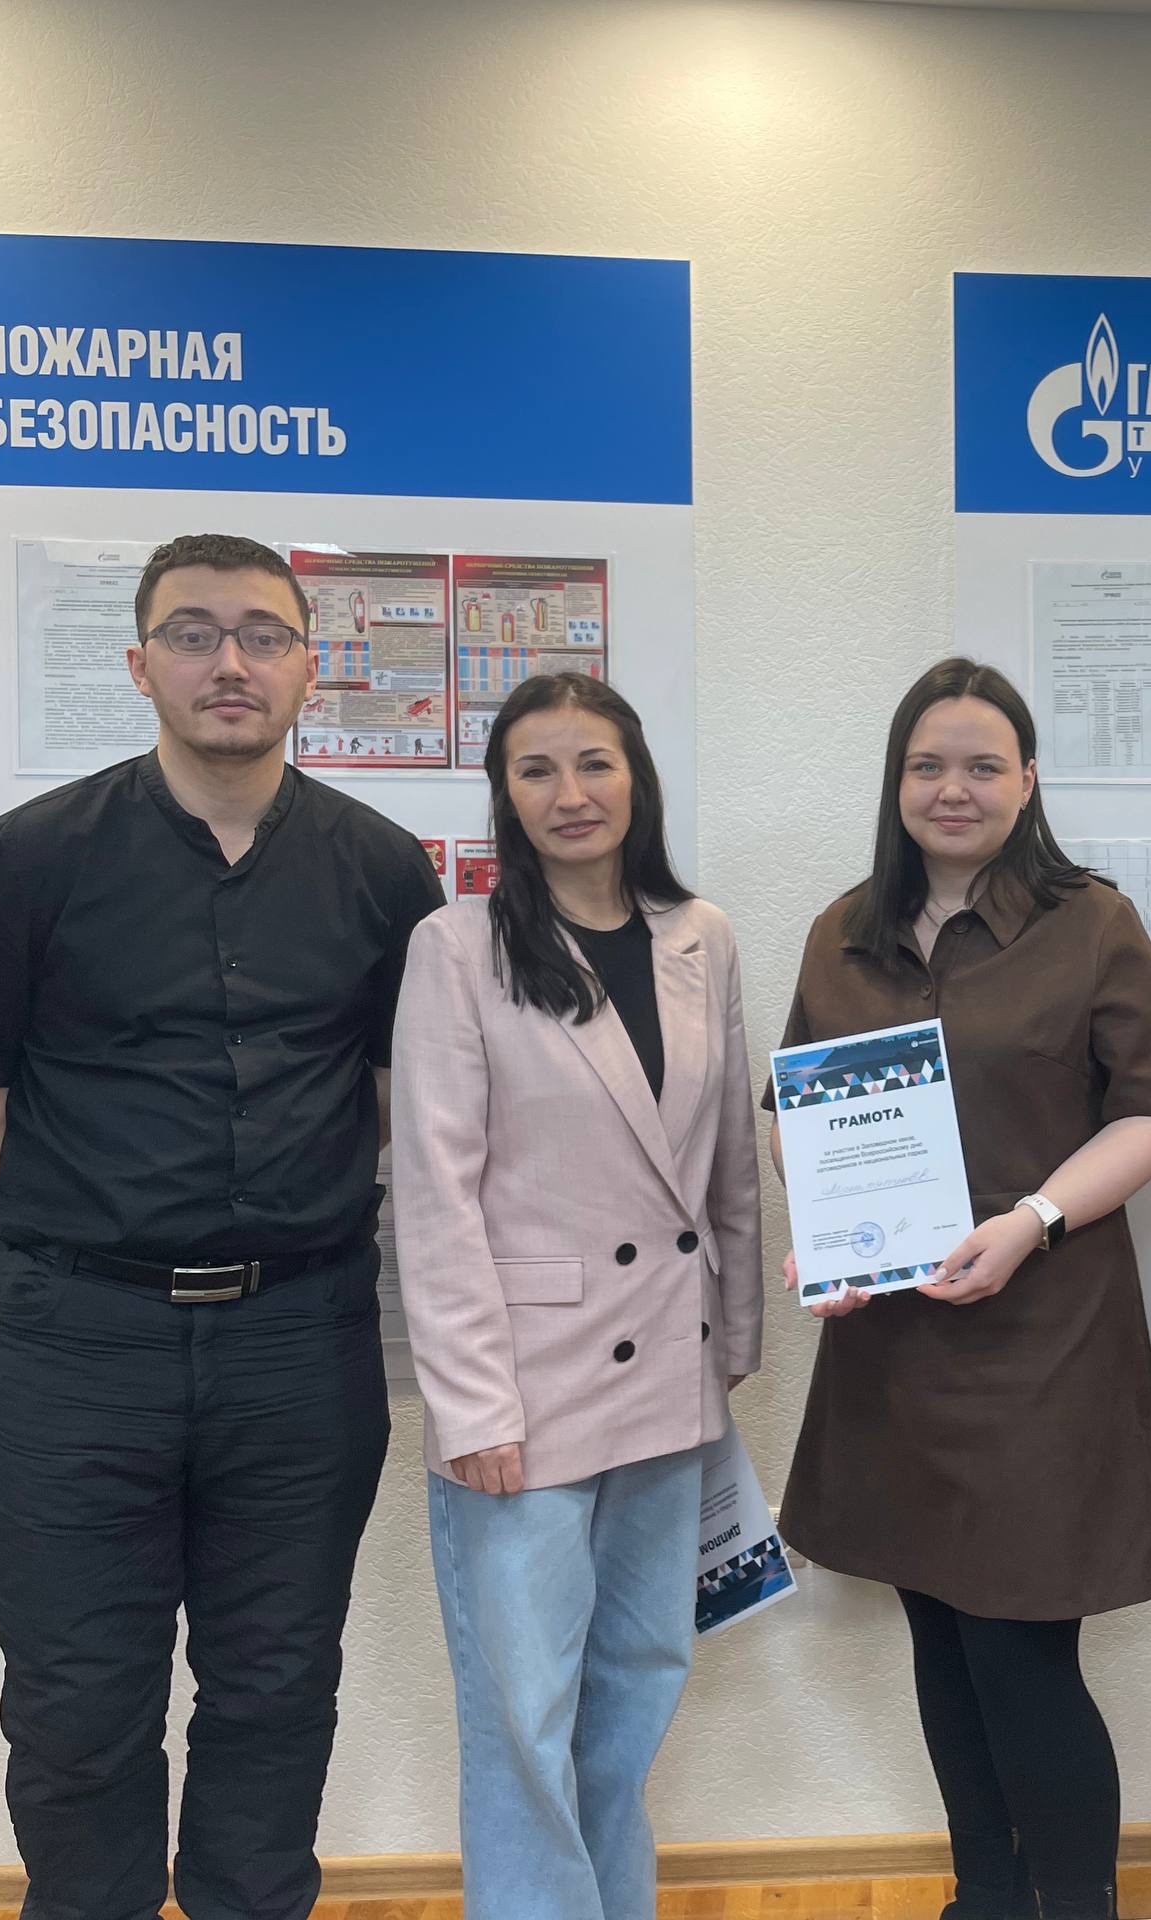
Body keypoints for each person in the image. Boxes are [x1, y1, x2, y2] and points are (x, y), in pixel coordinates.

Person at [0, 532, 445, 1920]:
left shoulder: (385, 872)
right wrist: (111, 1214)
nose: (231, 663)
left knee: (278, 1688)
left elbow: (394, 1093)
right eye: (195, 633)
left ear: (309, 668)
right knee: (78, 1705)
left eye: (264, 634)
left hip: (299, 1344)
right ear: (140, 662)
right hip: (74, 1348)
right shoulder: (27, 858)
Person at [768, 658, 1151, 1920]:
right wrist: (825, 1244)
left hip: (1043, 1342)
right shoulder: (842, 931)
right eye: (927, 766)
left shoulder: (1090, 921)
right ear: (896, 781)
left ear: (1027, 780)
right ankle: (985, 1898)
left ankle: (1074, 1904)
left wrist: (1031, 1221)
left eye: (980, 766)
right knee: (943, 1642)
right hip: (894, 1350)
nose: (951, 789)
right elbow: (801, 1113)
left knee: (1021, 1653)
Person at [393, 670, 761, 1918]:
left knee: (642, 1677)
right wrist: (470, 1407)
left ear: (636, 777)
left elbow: (725, 1161)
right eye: (536, 770)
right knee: (523, 1712)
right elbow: (435, 1193)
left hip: (670, 1370)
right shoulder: (457, 949)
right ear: (504, 794)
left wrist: (735, 1336)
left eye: (594, 763)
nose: (570, 793)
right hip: (524, 1390)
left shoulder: (701, 936)